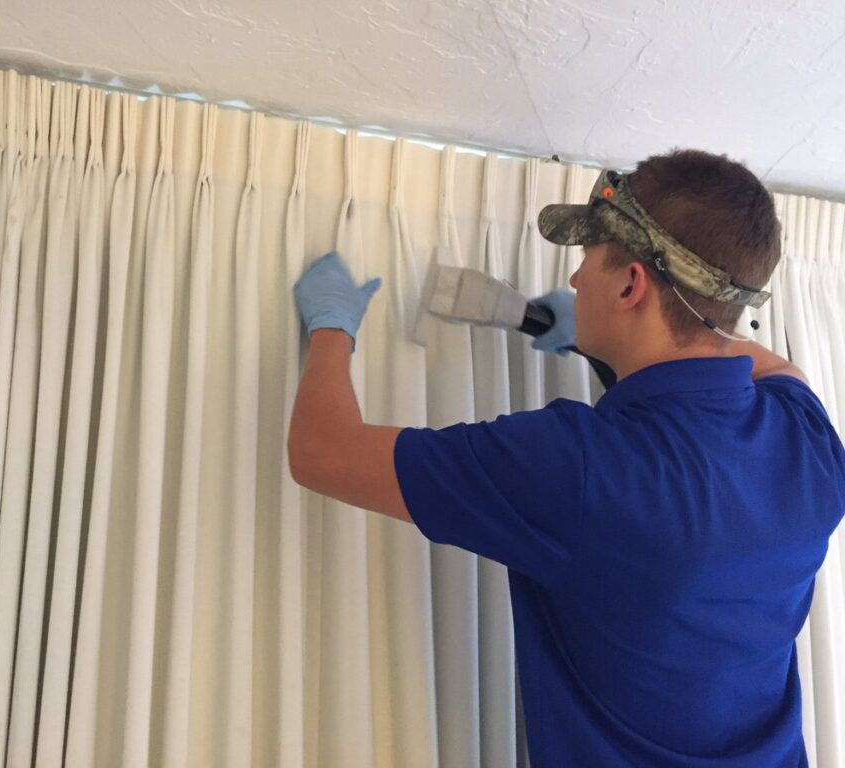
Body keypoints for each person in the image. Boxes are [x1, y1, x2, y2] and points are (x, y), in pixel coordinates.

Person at [287, 148, 845, 767]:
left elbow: (321, 452)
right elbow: (768, 366)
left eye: (587, 262)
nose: (576, 281)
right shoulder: (810, 444)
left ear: (631, 284)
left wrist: (333, 325)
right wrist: (608, 347)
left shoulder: (574, 469)